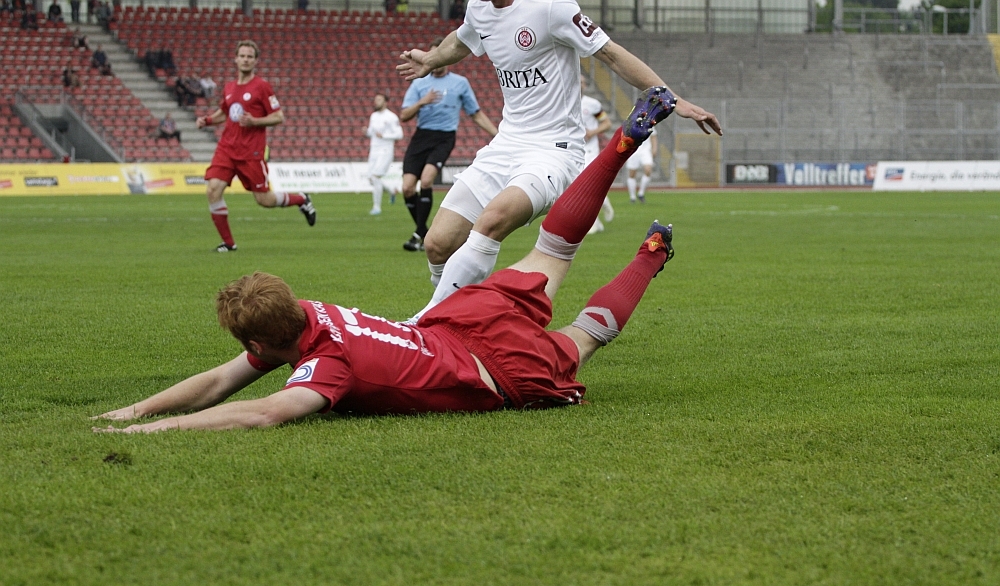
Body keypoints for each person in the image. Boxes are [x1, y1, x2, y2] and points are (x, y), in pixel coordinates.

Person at [92, 92, 675, 432]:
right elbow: (221, 381)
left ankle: (650, 257)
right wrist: (134, 410)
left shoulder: (326, 367)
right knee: (553, 249)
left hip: (495, 371)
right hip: (458, 319)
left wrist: (160, 426)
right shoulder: (309, 313)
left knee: (583, 338)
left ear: (261, 344)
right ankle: (617, 147)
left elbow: (266, 412)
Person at [397, 0, 721, 322]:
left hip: (553, 150)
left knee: (492, 220)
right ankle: (457, 321)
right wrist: (430, 59)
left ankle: (426, 323)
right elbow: (461, 40)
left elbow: (610, 53)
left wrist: (671, 98)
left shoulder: (552, 7)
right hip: (505, 145)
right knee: (437, 243)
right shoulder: (478, 9)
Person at [196, 40, 317, 252]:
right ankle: (229, 244)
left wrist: (255, 121)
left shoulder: (262, 87)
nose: (245, 60)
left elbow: (278, 116)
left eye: (249, 57)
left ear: (255, 61)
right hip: (226, 149)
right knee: (213, 190)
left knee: (264, 200)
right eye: (242, 56)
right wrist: (207, 120)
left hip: (250, 152)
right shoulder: (230, 87)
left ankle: (301, 199)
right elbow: (225, 113)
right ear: (235, 59)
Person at [398, 36, 497, 252]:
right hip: (421, 136)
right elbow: (404, 115)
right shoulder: (419, 82)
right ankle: (422, 232)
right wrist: (422, 102)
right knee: (407, 188)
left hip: (444, 137)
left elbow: (475, 113)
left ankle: (419, 235)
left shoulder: (460, 83)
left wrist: (497, 134)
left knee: (426, 181)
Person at [580, 74, 614, 234]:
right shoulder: (563, 102)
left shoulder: (592, 104)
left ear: (585, 85)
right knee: (578, 186)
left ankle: (592, 223)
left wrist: (592, 132)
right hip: (572, 150)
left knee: (586, 184)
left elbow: (607, 123)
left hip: (590, 149)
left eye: (582, 82)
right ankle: (604, 203)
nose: (579, 85)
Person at [365, 92, 403, 216]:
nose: (376, 102)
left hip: (385, 151)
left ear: (385, 102)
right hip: (374, 150)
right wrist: (366, 132)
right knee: (371, 179)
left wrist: (384, 135)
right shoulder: (373, 116)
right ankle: (392, 190)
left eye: (379, 99)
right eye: (376, 99)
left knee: (375, 177)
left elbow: (399, 134)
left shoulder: (391, 117)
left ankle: (377, 207)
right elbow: (371, 133)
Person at [626, 126, 657, 203]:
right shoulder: (631, 123)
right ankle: (632, 197)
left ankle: (641, 193)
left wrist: (654, 149)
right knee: (632, 174)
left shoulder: (649, 123)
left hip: (645, 151)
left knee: (648, 170)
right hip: (633, 151)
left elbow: (653, 136)